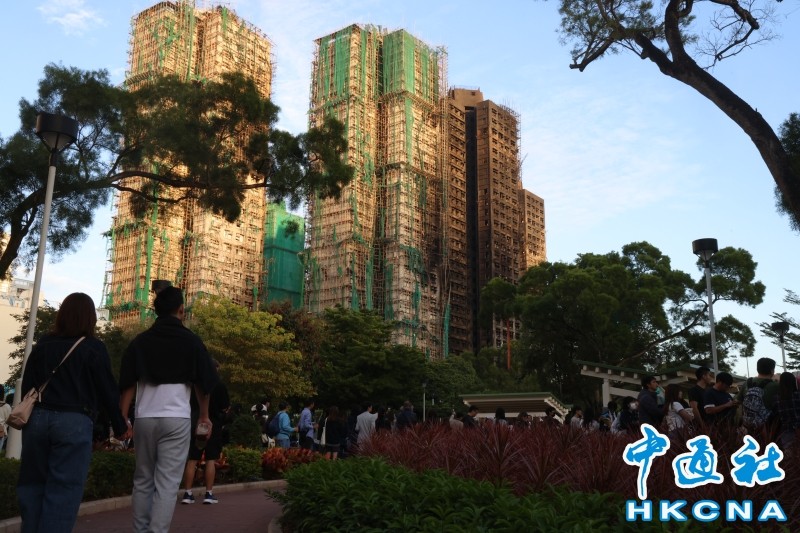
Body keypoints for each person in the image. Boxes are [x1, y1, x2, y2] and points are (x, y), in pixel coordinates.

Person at [17, 292, 129, 533]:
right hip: (74, 421)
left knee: (32, 486)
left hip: (37, 418)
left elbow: (28, 385)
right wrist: (119, 426)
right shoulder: (93, 348)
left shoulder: (44, 344)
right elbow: (107, 390)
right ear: (91, 318)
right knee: (64, 490)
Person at [120, 286, 218, 533]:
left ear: (156, 311)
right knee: (166, 483)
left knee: (143, 479)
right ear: (181, 310)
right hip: (176, 419)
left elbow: (127, 382)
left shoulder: (140, 342)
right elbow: (203, 384)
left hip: (144, 417)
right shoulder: (192, 342)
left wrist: (122, 416)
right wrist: (204, 416)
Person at [181, 361, 230, 505]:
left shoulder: (194, 385)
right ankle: (208, 493)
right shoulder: (219, 385)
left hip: (195, 424)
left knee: (192, 459)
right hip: (213, 425)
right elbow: (225, 407)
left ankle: (187, 493)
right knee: (210, 459)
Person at [774, 372, 800, 450]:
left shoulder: (776, 398)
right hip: (798, 428)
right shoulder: (798, 395)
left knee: (789, 454)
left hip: (785, 431)